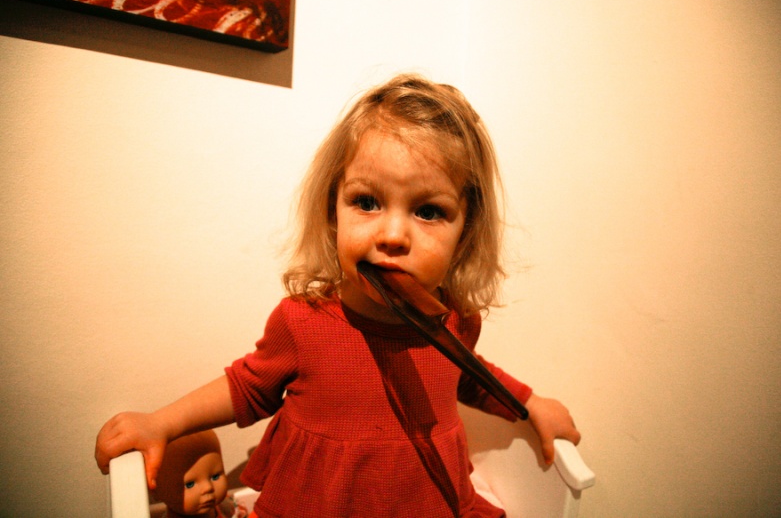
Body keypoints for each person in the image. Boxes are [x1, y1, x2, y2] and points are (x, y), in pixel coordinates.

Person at [95, 73, 581, 518]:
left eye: (429, 211)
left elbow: (469, 376)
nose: (393, 235)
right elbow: (247, 387)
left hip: (423, 500)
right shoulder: (302, 322)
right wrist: (161, 422)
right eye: (367, 202)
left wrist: (530, 403)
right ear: (333, 211)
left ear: (465, 232)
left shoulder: (457, 321)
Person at [154, 430, 246, 518]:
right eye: (190, 484)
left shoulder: (225, 506)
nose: (208, 487)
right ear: (156, 491)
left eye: (215, 477)